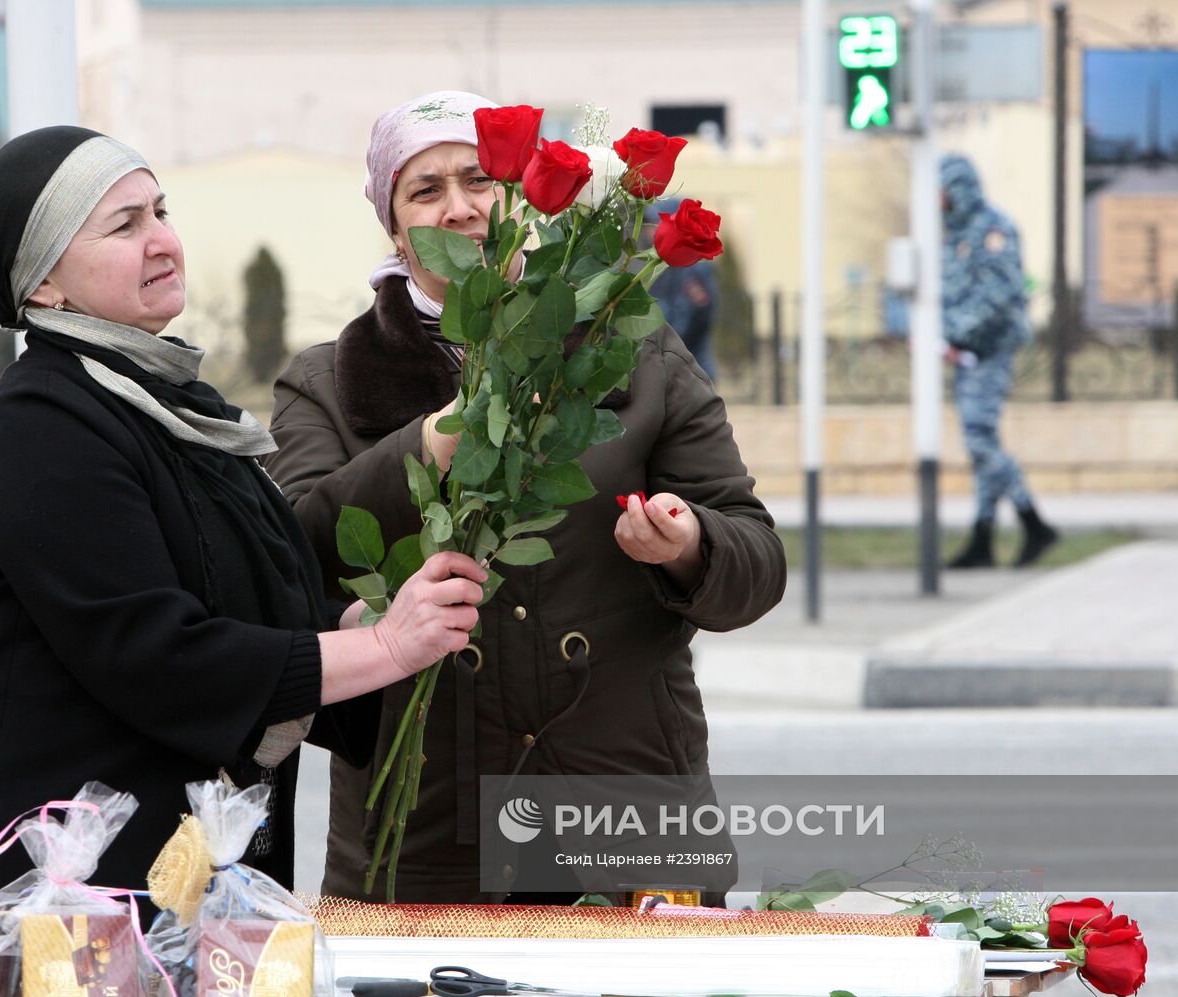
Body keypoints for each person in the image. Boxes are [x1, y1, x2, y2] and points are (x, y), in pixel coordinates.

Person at [0, 125, 486, 952]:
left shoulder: (174, 408)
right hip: (71, 897)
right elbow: (156, 653)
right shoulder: (40, 427)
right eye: (123, 226)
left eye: (160, 210)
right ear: (44, 284)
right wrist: (388, 648)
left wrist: (356, 628)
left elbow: (244, 598)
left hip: (191, 871)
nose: (162, 241)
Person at [265, 92, 787, 903]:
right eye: (425, 189)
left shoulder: (633, 348)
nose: (462, 206)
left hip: (628, 822)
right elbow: (293, 556)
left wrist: (689, 547)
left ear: (519, 195)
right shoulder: (327, 382)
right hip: (427, 840)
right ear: (394, 230)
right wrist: (430, 441)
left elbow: (758, 557)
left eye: (479, 178)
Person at [939, 153, 1059, 568]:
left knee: (980, 440)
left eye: (941, 190)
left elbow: (1001, 293)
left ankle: (1033, 522)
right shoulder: (952, 233)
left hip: (990, 350)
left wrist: (957, 334)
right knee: (980, 444)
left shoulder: (993, 229)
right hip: (965, 353)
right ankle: (983, 536)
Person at [646, 205, 720, 381]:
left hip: (690, 366)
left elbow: (697, 313)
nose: (647, 231)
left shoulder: (693, 268)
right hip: (669, 362)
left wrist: (665, 345)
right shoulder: (659, 264)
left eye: (653, 224)